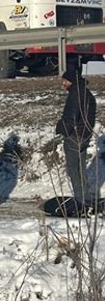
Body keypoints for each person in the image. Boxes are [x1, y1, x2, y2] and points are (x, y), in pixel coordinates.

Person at [56, 67, 97, 203]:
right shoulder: (87, 93)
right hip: (85, 135)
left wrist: (62, 131)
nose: (63, 84)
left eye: (65, 81)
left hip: (75, 136)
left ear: (71, 81)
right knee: (81, 169)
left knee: (74, 170)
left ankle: (80, 200)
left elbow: (70, 116)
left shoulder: (75, 94)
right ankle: (86, 198)